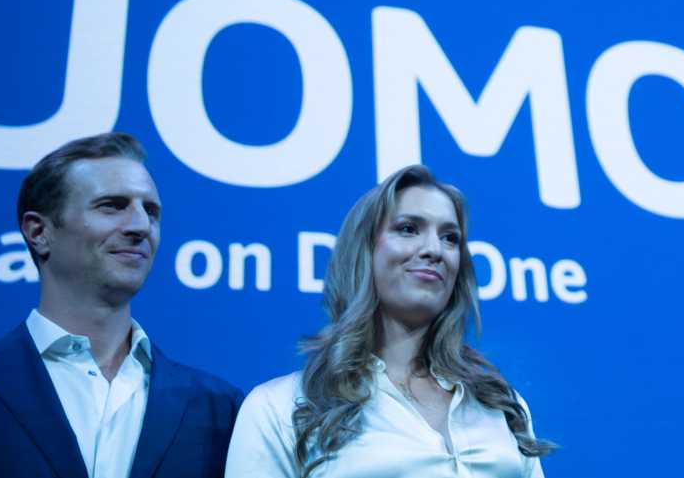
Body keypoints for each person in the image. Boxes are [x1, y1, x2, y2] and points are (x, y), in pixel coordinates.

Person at [226, 164, 552, 478]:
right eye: (408, 229)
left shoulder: (501, 406)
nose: (434, 249)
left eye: (450, 237)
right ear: (363, 251)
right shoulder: (280, 409)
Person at [0, 132, 243, 478]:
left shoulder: (219, 409)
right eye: (112, 205)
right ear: (38, 232)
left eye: (151, 212)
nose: (140, 226)